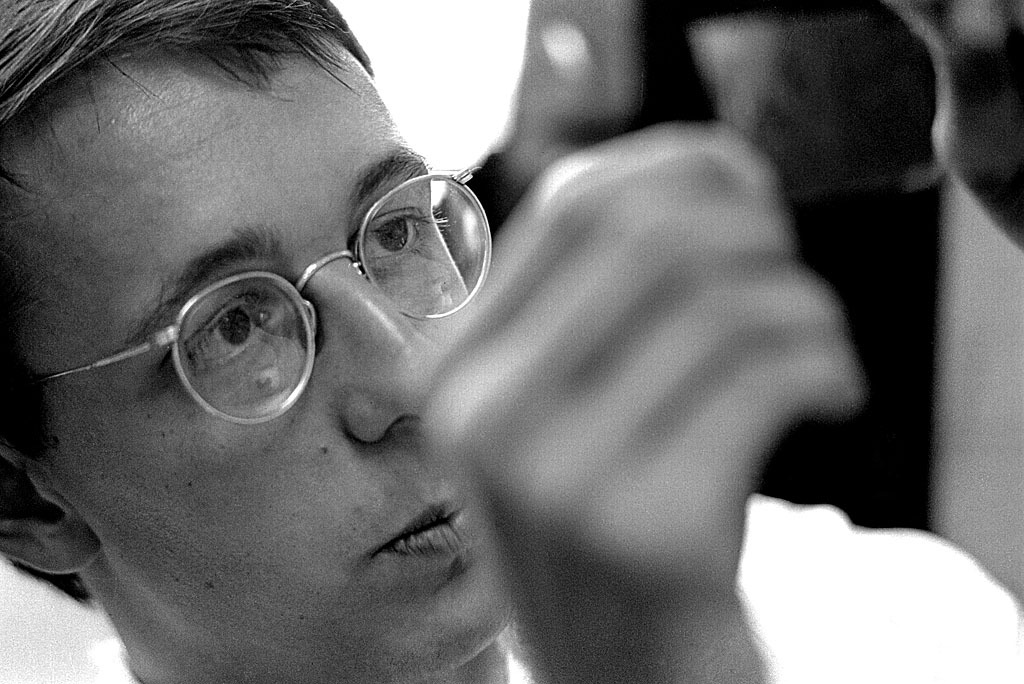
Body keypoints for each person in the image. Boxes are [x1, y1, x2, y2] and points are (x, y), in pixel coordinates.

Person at [0, 2, 1019, 684]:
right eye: (233, 326)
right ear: (27, 501)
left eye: (398, 232)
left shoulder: (883, 620)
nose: (418, 377)